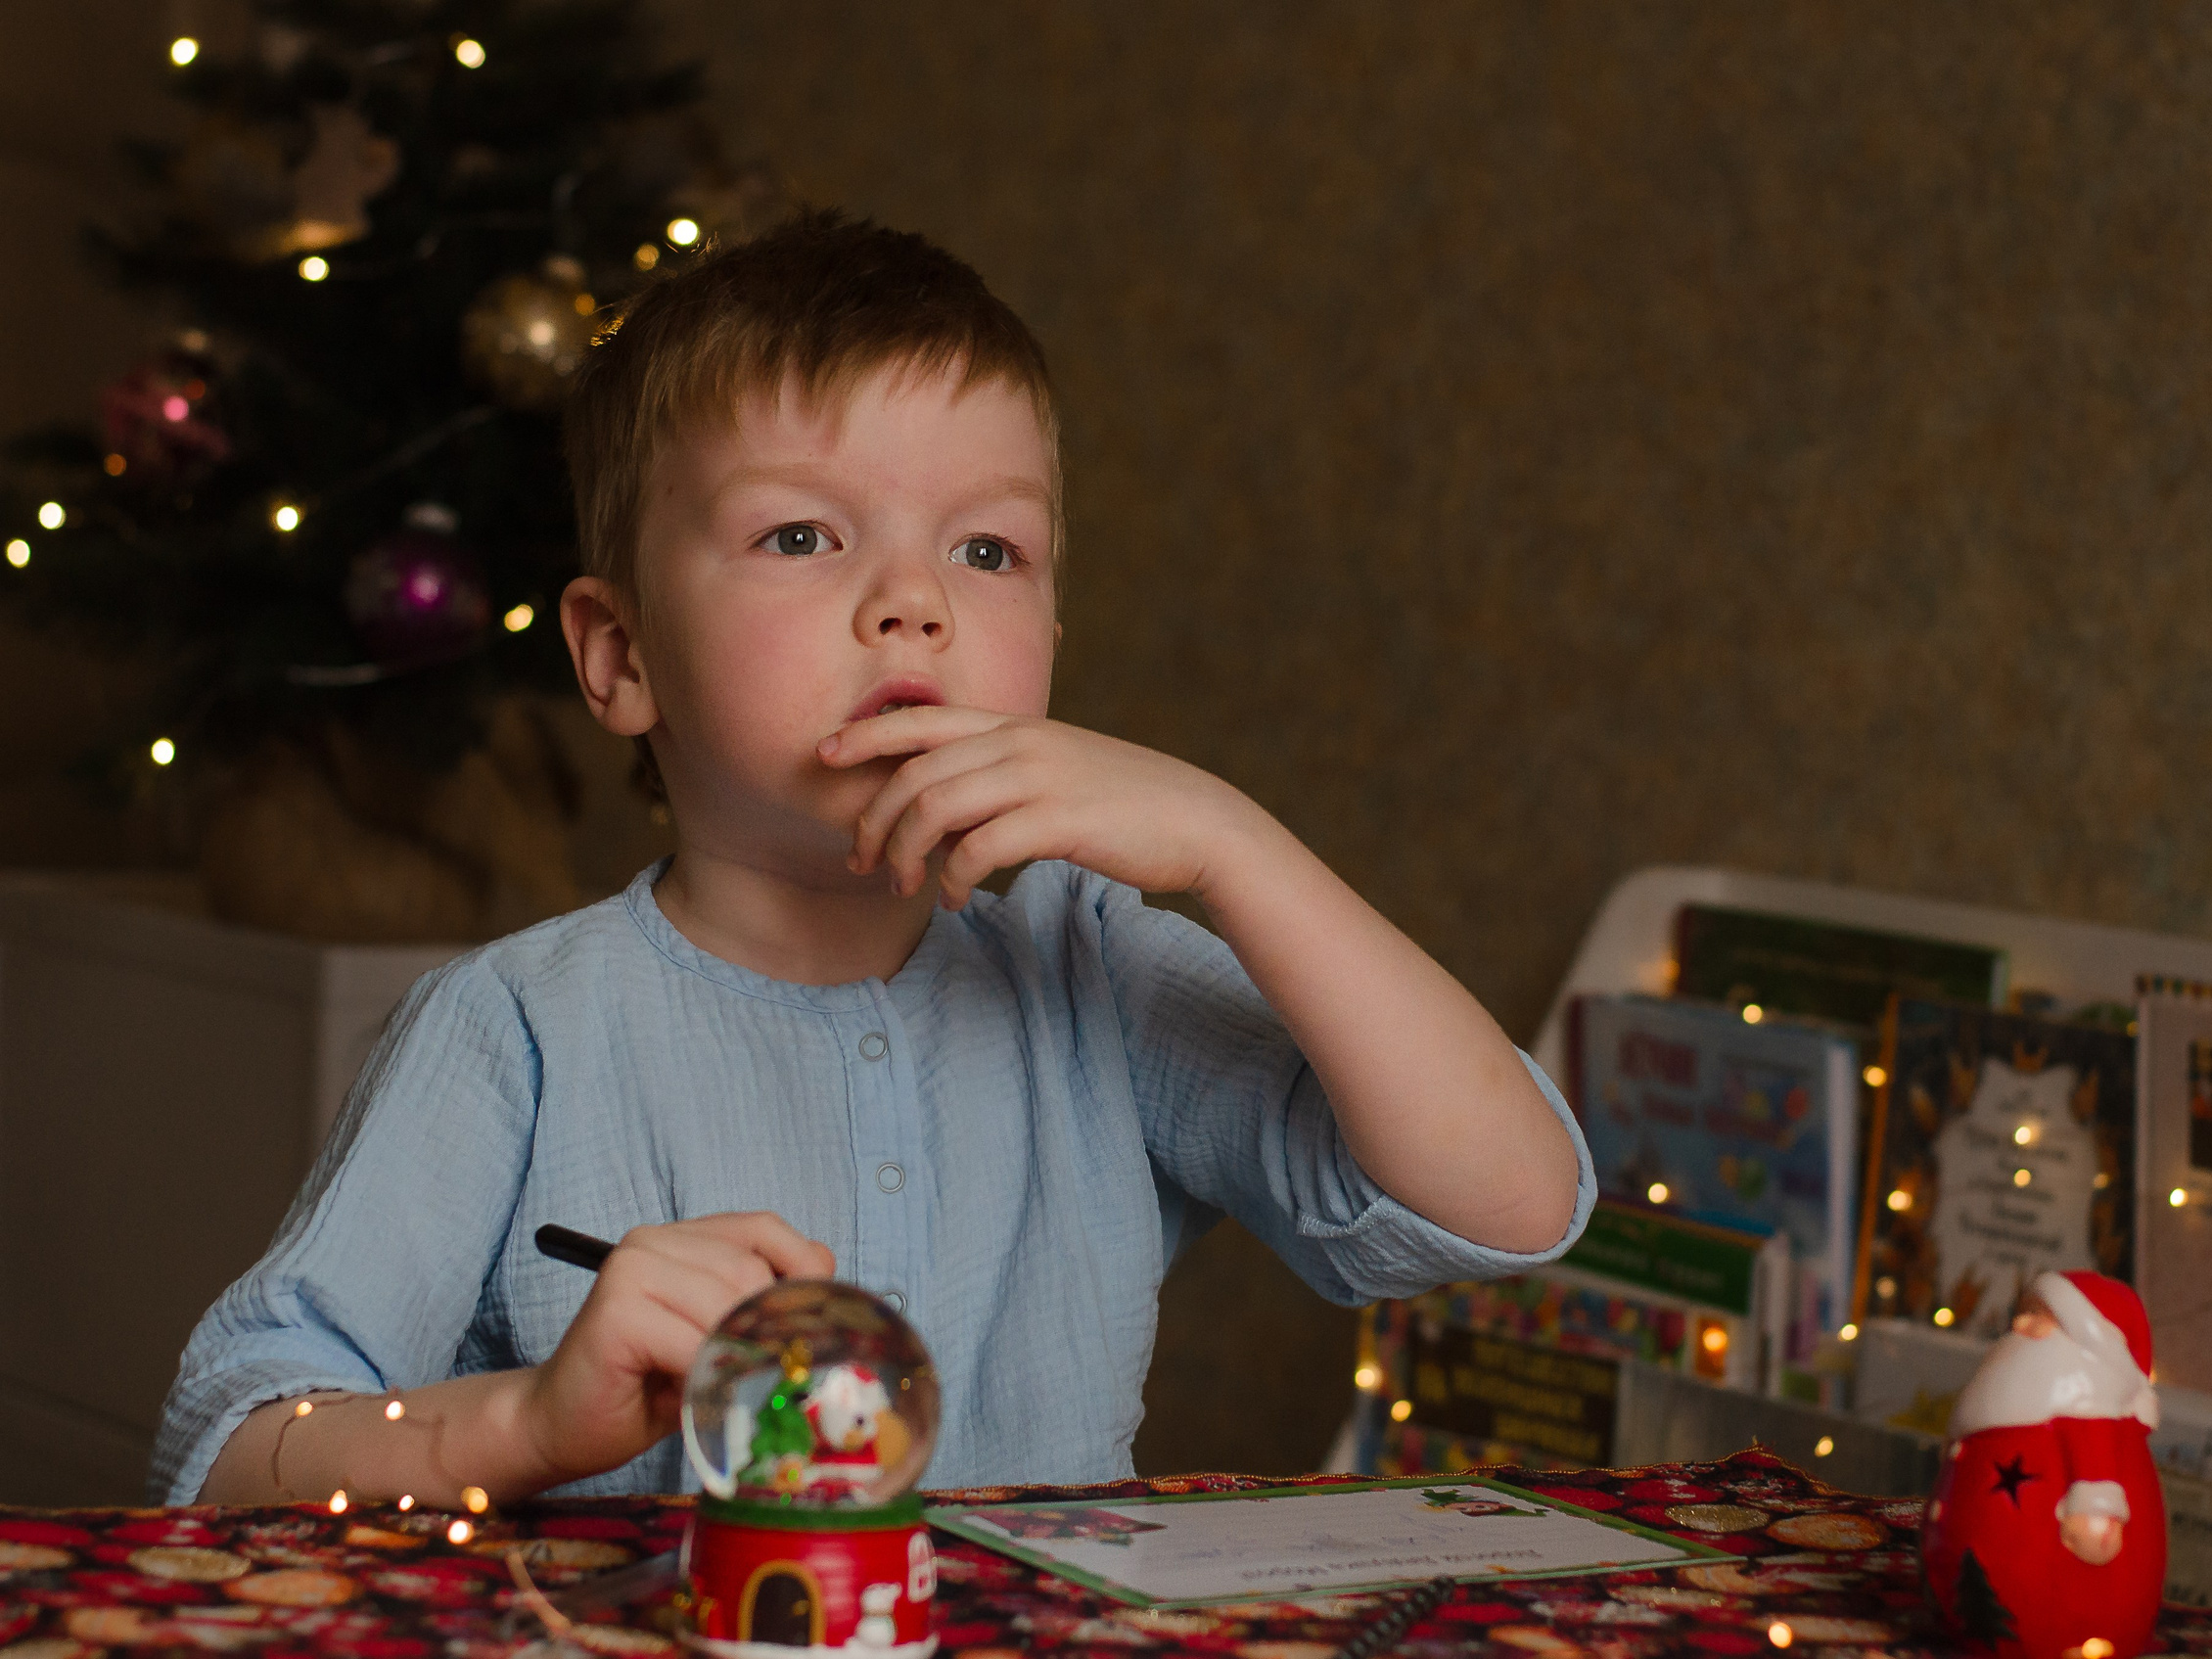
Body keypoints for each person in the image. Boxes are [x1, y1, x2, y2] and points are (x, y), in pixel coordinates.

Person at [150, 210, 1594, 1507]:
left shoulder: (1091, 964)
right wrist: (525, 1420)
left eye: (987, 551)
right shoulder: (513, 1029)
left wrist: (1231, 841)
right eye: (800, 532)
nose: (912, 602)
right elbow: (225, 1450)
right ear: (621, 652)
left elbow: (1512, 1205)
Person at [1919, 1269, 2166, 1659]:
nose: (2019, 1324)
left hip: (2056, 1613)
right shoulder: (2010, 1402)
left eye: (2041, 1318)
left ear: (2093, 1346)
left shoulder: (2093, 1419)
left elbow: (2096, 1484)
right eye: (2024, 1312)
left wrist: (2093, 1523)